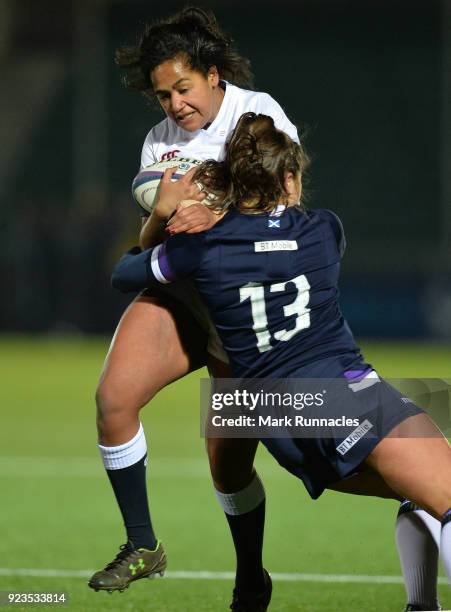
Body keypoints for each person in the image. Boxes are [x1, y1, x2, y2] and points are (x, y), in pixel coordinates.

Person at [111, 112, 451, 611]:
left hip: (276, 426)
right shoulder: (324, 230)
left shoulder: (200, 250)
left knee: (418, 488)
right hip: (338, 399)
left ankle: (421, 606)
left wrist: (163, 216)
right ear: (289, 178)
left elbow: (125, 273)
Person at [89, 6, 299, 601]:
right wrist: (159, 213)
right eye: (162, 96)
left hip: (243, 304)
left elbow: (287, 210)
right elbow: (148, 243)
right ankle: (142, 545)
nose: (175, 105)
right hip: (182, 293)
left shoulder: (258, 115)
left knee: (228, 468)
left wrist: (218, 212)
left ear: (211, 73)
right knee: (113, 398)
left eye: (182, 87)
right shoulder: (159, 142)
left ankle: (249, 574)